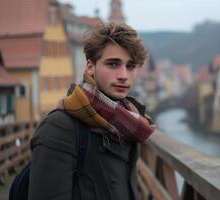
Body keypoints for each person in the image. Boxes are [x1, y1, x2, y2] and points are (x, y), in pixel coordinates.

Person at [28, 22, 155, 200]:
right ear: (90, 67)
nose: (123, 75)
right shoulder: (59, 128)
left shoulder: (130, 123)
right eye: (113, 64)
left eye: (131, 66)